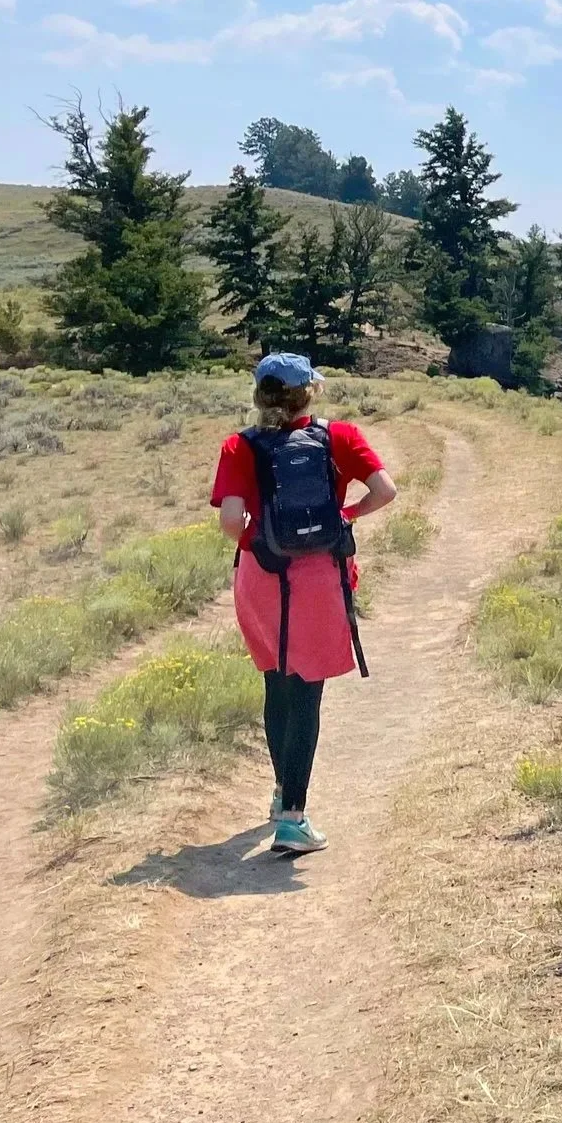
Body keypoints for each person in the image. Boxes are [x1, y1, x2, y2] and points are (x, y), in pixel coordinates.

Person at [210, 353, 397, 855]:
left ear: (259, 394)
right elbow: (386, 491)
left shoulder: (239, 445)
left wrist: (261, 538)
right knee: (308, 691)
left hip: (262, 573)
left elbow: (231, 522)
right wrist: (345, 516)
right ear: (310, 392)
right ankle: (293, 818)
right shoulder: (340, 437)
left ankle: (281, 795)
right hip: (319, 577)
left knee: (276, 680)